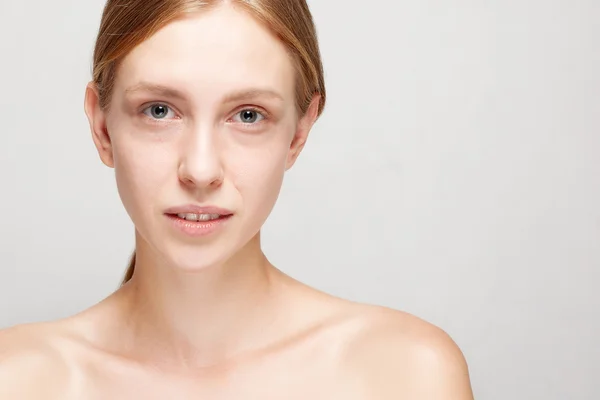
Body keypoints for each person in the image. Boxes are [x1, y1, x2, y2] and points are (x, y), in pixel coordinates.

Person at [0, 0, 474, 398]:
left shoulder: (405, 376)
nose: (201, 170)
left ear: (299, 133)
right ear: (102, 128)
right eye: (159, 111)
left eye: (248, 115)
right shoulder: (18, 380)